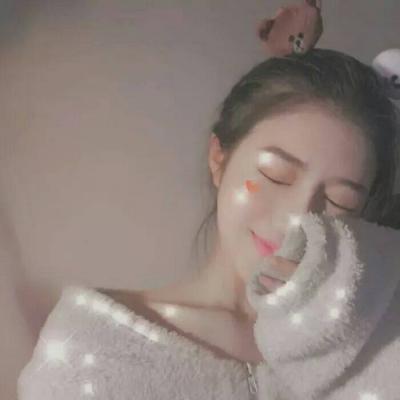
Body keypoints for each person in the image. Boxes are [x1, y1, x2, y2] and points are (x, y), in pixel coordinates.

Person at [17, 48, 399, 399]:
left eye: (340, 201)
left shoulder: (369, 349)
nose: (298, 218)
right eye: (275, 175)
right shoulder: (93, 351)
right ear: (219, 159)